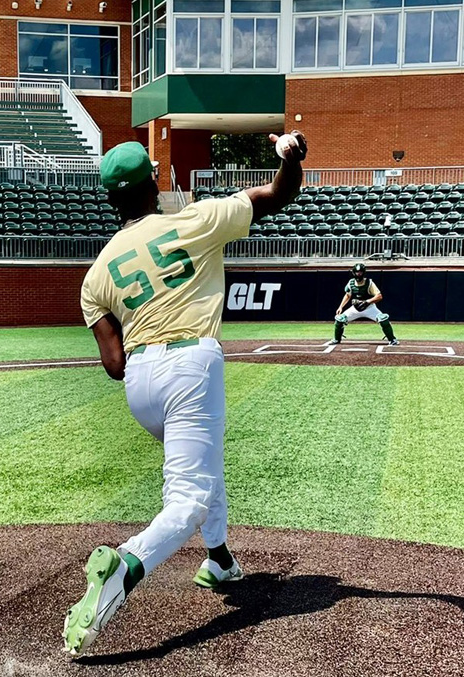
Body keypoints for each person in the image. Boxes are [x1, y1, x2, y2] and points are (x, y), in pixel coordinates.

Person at [63, 132, 307, 657]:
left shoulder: (95, 273)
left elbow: (112, 364)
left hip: (140, 384)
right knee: (189, 499)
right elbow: (279, 195)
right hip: (191, 364)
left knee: (205, 467)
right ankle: (125, 565)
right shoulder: (193, 219)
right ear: (155, 183)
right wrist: (291, 158)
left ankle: (219, 559)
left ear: (111, 201)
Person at [327, 262, 399, 346]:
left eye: (360, 272)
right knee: (340, 319)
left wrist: (367, 301)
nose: (358, 274)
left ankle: (392, 339)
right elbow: (347, 295)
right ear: (354, 273)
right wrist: (340, 307)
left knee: (383, 319)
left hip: (369, 307)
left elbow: (379, 296)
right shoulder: (351, 283)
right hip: (355, 308)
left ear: (363, 272)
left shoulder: (369, 283)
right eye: (357, 272)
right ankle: (336, 339)